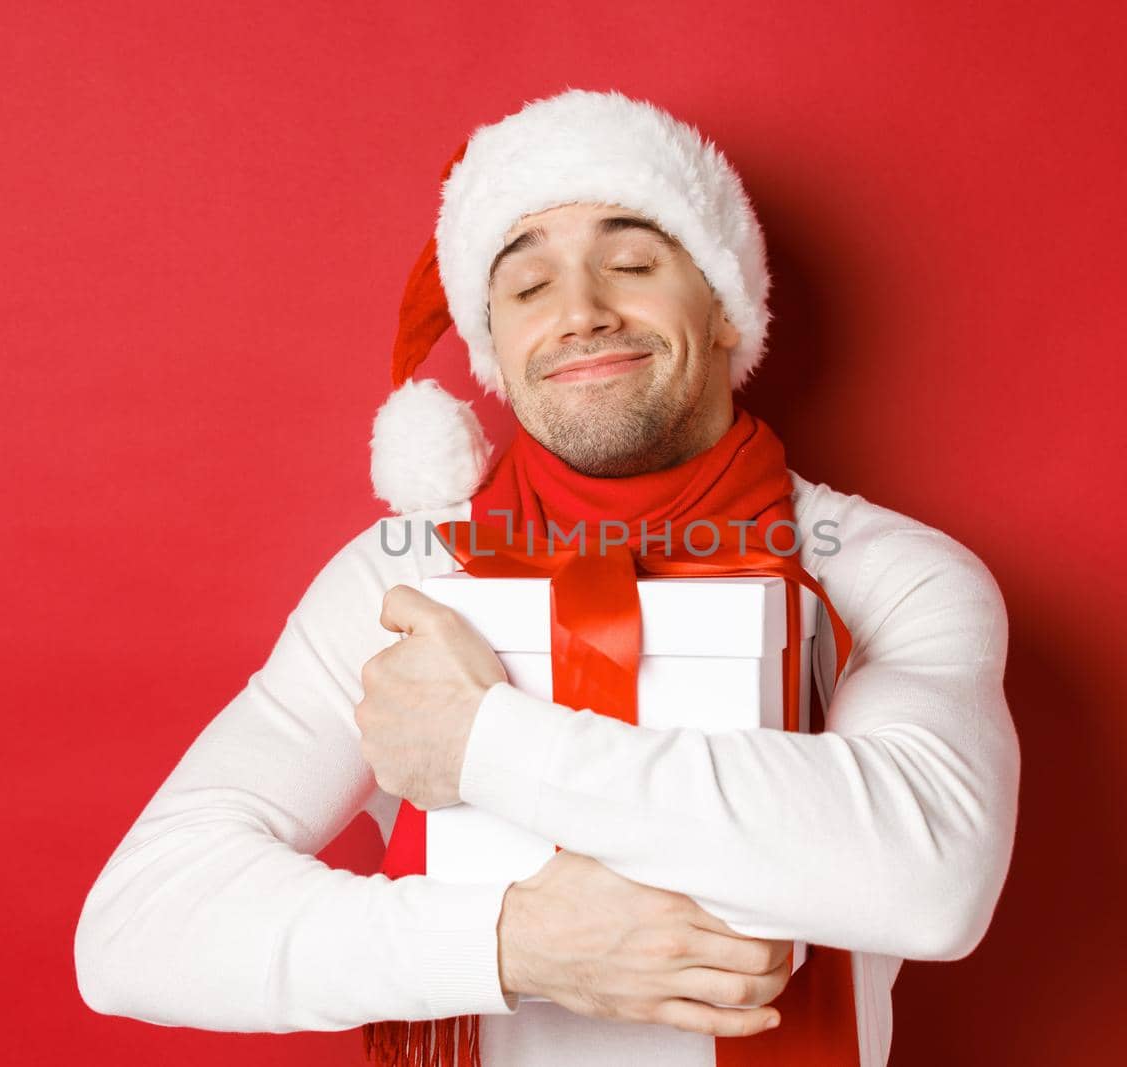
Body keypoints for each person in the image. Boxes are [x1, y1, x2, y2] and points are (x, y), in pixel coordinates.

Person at [74, 88, 1021, 1067]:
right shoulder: (400, 581)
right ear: (496, 353)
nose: (580, 312)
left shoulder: (883, 575)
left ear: (729, 308)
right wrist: (511, 944)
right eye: (527, 288)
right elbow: (138, 928)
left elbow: (932, 878)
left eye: (633, 263)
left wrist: (485, 742)